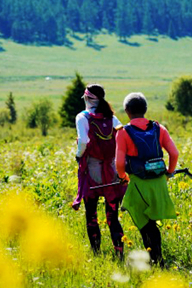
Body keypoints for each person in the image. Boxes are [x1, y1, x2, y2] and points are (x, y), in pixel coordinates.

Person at [114, 92, 179, 267]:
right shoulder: (159, 128)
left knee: (145, 223)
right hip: (159, 182)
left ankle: (156, 259)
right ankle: (157, 259)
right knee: (151, 222)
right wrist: (168, 172)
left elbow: (119, 162)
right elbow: (174, 153)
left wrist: (122, 177)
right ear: (145, 109)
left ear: (127, 111)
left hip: (138, 182)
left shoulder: (123, 132)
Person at [72, 84, 126, 259]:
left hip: (92, 171)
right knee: (112, 214)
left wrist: (78, 155)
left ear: (87, 98)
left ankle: (96, 253)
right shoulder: (112, 118)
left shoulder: (82, 117)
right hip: (110, 170)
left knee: (91, 214)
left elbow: (83, 141)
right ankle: (119, 251)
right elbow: (122, 136)